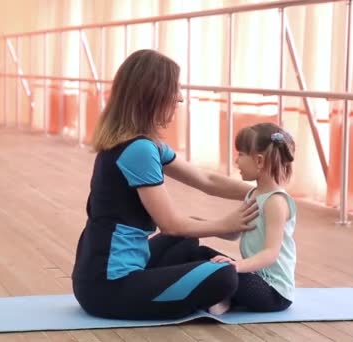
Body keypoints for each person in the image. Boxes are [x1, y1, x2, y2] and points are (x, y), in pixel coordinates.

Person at [71, 49, 259, 320]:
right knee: (224, 275)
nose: (180, 97)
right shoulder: (139, 149)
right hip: (108, 288)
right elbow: (170, 223)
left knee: (190, 244)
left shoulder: (145, 144)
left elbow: (206, 180)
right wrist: (229, 224)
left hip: (98, 276)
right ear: (153, 95)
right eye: (175, 89)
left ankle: (217, 286)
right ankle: (222, 289)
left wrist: (265, 191)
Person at [198, 122, 297, 315]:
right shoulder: (253, 194)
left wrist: (236, 266)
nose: (236, 161)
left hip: (273, 293)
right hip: (254, 276)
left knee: (223, 272)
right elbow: (236, 232)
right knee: (201, 254)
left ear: (259, 161)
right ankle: (227, 297)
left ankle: (226, 297)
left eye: (241, 155)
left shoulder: (276, 202)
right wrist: (201, 225)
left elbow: (271, 253)